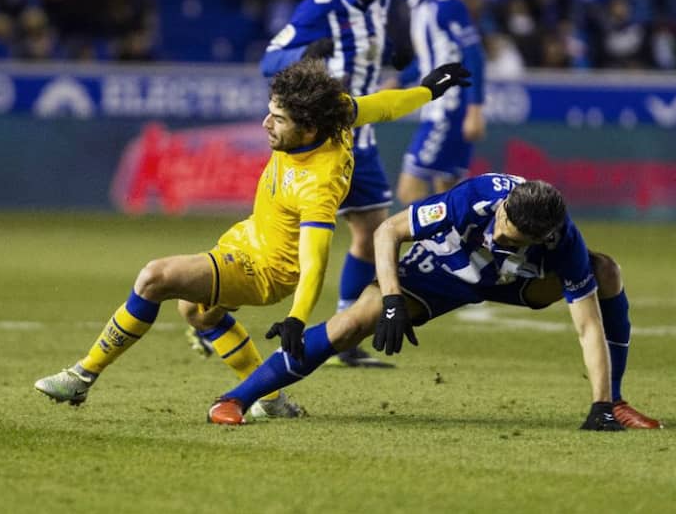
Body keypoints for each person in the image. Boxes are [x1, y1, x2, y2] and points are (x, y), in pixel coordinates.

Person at [34, 59, 471, 418]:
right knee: (198, 314)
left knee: (155, 277)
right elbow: (386, 105)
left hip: (265, 269)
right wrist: (430, 89)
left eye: (278, 119)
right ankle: (271, 399)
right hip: (247, 237)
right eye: (270, 110)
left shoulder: (317, 185)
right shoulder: (335, 113)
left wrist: (298, 318)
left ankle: (81, 376)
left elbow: (315, 261)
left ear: (308, 128)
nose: (265, 123)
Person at [208, 174, 662, 430]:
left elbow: (587, 326)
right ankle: (236, 399)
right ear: (505, 206)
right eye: (501, 222)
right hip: (443, 272)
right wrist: (389, 301)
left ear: (543, 237)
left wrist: (597, 403)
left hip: (515, 282)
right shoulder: (474, 199)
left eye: (511, 237)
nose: (498, 232)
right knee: (355, 320)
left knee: (606, 272)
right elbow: (388, 231)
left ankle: (613, 404)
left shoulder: (564, 241)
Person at [254, 0, 411, 368]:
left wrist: (403, 61)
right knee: (287, 249)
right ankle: (211, 311)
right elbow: (270, 59)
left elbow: (395, 53)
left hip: (360, 138)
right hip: (319, 145)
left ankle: (345, 332)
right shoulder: (319, 6)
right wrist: (307, 54)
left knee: (373, 234)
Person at [390, 0, 487, 205]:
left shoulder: (446, 4)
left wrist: (475, 109)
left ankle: (432, 247)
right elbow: (430, 60)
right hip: (441, 109)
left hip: (448, 110)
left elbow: (473, 54)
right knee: (448, 195)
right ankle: (454, 247)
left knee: (410, 190)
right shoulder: (419, 5)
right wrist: (399, 81)